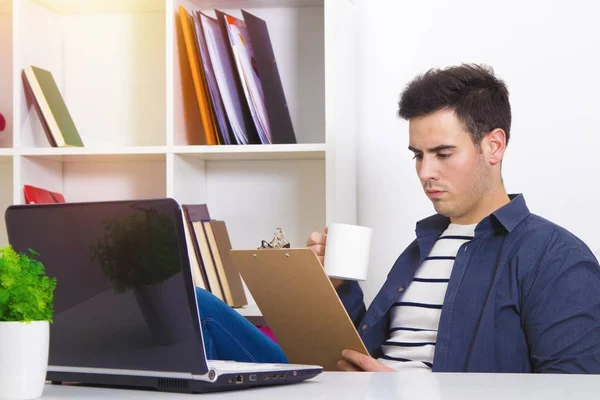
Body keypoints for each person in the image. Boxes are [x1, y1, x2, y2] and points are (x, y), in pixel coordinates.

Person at [307, 63, 600, 373]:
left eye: (443, 154)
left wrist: (398, 393)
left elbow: (575, 390)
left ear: (494, 146)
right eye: (418, 155)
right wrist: (337, 287)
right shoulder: (421, 248)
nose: (425, 172)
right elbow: (362, 355)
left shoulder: (556, 258)